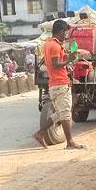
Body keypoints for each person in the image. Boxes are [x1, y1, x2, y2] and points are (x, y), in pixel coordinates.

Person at [34, 19, 83, 150]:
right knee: (66, 113)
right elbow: (56, 64)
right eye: (65, 32)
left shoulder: (47, 44)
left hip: (54, 84)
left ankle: (40, 133)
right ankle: (70, 142)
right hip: (60, 83)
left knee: (59, 114)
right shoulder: (55, 46)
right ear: (61, 32)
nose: (66, 35)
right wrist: (69, 60)